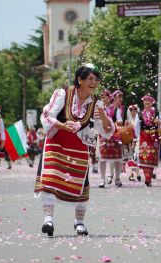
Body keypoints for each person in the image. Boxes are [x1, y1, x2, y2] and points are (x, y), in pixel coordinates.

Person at [34, 64, 114, 237]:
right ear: (80, 80)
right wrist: (63, 125)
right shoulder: (63, 93)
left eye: (96, 79)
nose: (94, 83)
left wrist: (104, 116)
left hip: (78, 146)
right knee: (50, 177)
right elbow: (47, 115)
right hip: (57, 140)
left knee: (81, 182)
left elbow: (105, 130)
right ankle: (48, 220)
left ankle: (79, 222)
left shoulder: (95, 103)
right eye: (90, 79)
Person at [98, 89, 125, 188]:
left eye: (104, 96)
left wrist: (113, 123)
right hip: (103, 135)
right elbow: (96, 121)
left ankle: (117, 178)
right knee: (102, 158)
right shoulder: (100, 108)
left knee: (117, 158)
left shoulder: (116, 109)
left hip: (114, 136)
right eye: (101, 97)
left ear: (109, 98)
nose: (102, 98)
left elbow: (119, 121)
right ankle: (102, 179)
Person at [138, 93, 161, 187]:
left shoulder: (157, 113)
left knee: (152, 157)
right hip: (144, 136)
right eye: (145, 101)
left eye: (149, 101)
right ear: (143, 103)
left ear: (152, 103)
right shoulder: (140, 113)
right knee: (145, 157)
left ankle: (148, 178)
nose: (147, 103)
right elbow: (137, 127)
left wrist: (159, 122)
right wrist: (136, 139)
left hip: (154, 137)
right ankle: (147, 178)